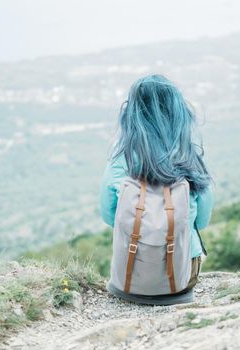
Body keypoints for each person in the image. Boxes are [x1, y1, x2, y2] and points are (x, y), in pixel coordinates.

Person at [99, 74, 214, 304]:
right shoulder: (189, 160)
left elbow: (110, 216)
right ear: (178, 113)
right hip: (182, 279)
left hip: (129, 277)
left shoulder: (120, 162)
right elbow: (201, 222)